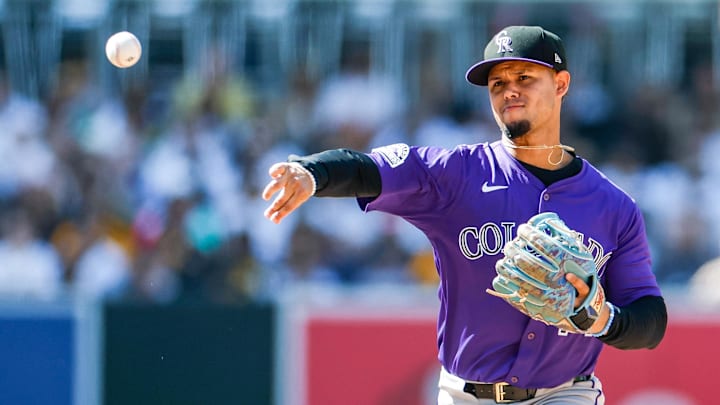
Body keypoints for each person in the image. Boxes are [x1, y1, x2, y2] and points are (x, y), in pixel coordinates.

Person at [262, 25, 667, 404]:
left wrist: (601, 319)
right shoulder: (455, 174)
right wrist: (313, 172)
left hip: (565, 392)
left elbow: (650, 318)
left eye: (524, 78)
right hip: (467, 394)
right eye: (498, 83)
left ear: (561, 84)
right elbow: (370, 169)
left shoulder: (613, 206)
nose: (509, 91)